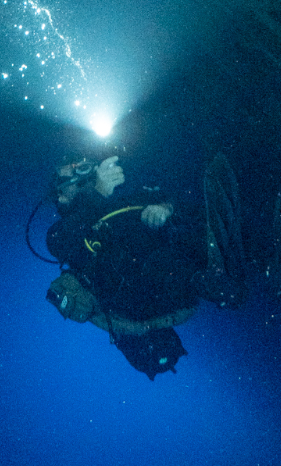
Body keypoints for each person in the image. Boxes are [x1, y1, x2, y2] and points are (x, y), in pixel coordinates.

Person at [44, 152, 246, 379]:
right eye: (71, 171)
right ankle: (214, 281)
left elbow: (179, 196)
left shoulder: (124, 198)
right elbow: (66, 241)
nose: (80, 171)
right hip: (134, 300)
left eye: (80, 166)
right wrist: (97, 193)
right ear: (60, 195)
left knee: (177, 232)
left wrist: (166, 208)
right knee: (144, 256)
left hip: (176, 282)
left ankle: (224, 268)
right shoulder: (58, 233)